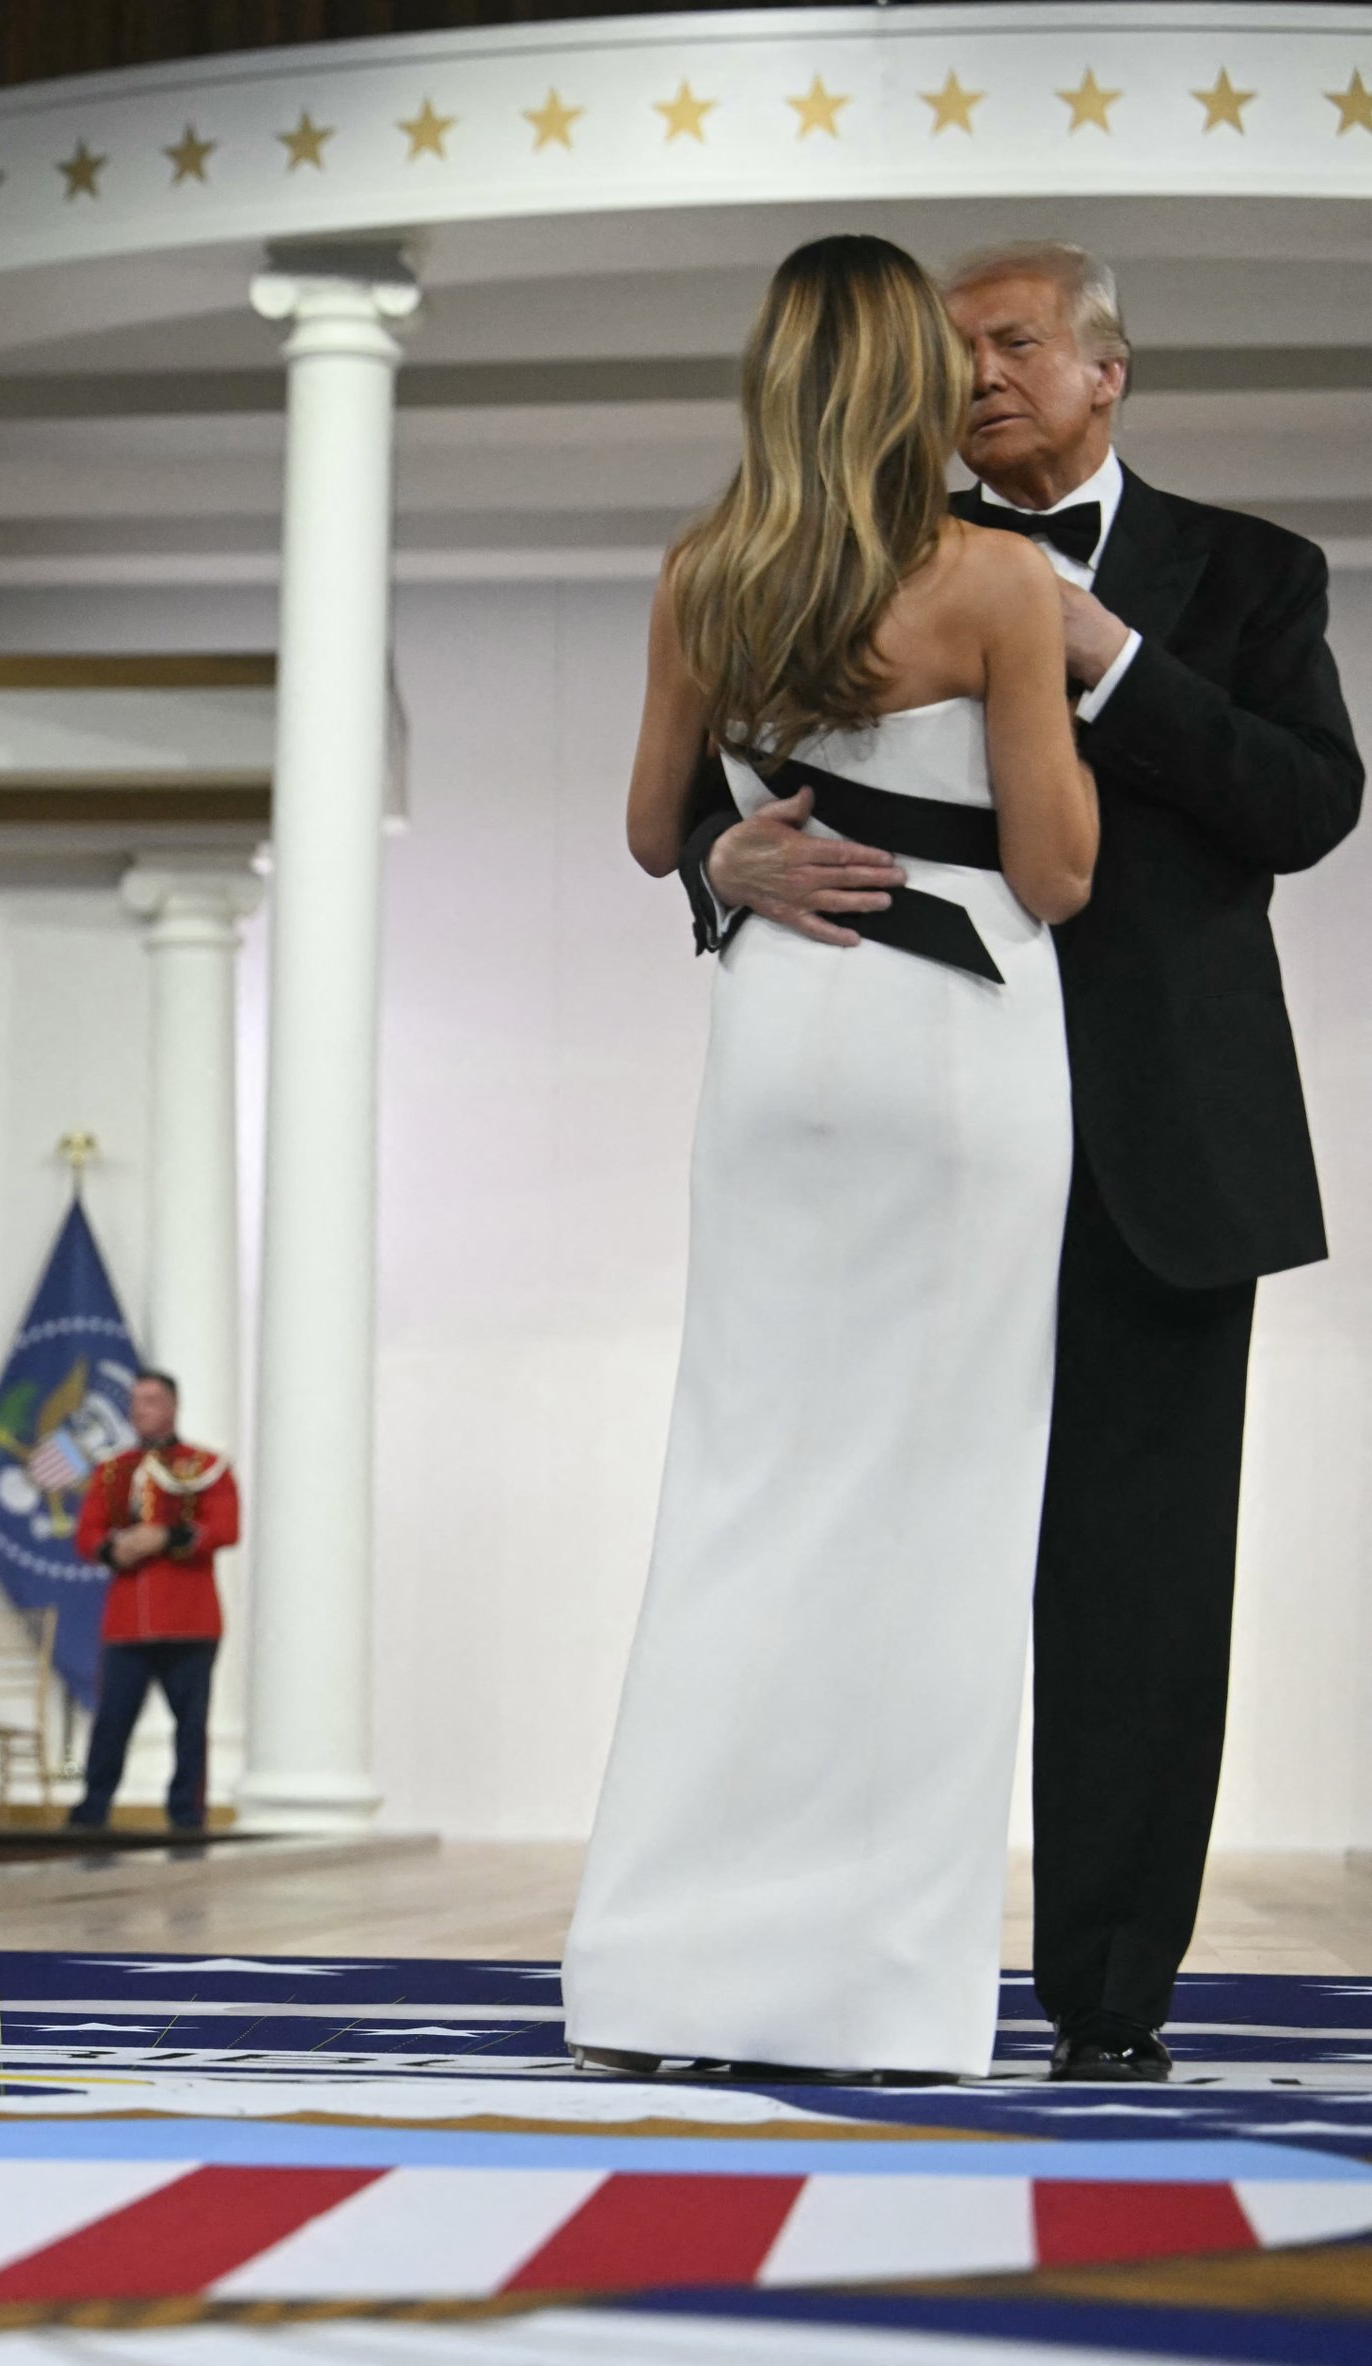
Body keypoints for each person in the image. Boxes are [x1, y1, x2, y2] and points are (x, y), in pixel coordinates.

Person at [573, 235, 1105, 2084]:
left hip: (775, 1044)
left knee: (741, 1485)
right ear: (904, 383)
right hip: (952, 1058)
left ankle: (659, 1978)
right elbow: (1055, 874)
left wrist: (739, 852)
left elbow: (659, 833)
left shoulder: (702, 577)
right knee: (938, 1518)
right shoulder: (997, 580)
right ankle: (875, 1990)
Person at [63, 1372, 238, 1835]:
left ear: (173, 1407)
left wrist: (165, 1536)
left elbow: (225, 1527)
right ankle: (93, 1809)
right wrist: (112, 1548)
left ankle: (186, 1815)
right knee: (112, 1722)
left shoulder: (205, 1466)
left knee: (190, 1726)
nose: (142, 1409)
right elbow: (87, 1534)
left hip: (189, 1619)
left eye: (153, 1400)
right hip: (127, 1623)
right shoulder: (112, 1472)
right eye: (137, 1401)